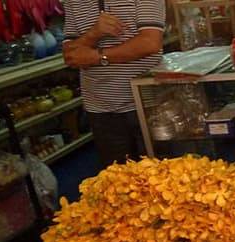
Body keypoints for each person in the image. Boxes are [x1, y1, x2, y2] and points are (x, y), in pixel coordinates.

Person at [61, 0, 165, 167]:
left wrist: (97, 57)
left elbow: (150, 42)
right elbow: (70, 55)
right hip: (101, 108)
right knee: (118, 181)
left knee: (162, 177)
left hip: (148, 103)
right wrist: (94, 33)